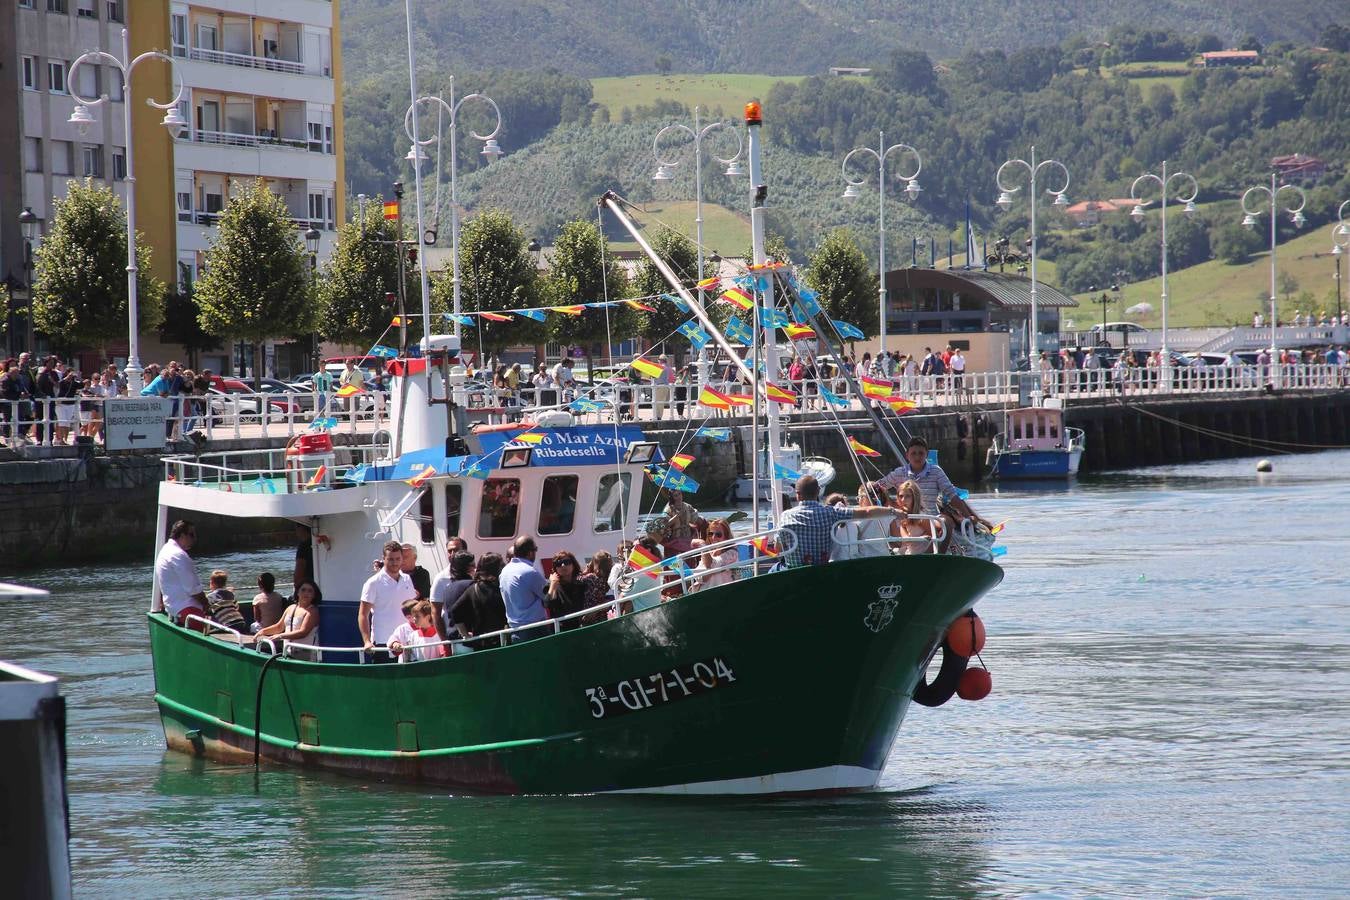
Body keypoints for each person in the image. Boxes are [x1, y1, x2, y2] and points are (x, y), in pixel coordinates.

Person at [875, 436, 991, 548]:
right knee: (891, 522)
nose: (917, 457)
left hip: (931, 518)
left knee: (946, 522)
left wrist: (968, 516)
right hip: (907, 518)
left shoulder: (935, 471)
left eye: (921, 453)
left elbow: (952, 495)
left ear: (926, 454)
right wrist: (888, 502)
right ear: (907, 455)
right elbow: (879, 487)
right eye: (913, 453)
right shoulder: (899, 473)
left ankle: (940, 554)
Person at [777, 474, 893, 567]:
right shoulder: (831, 512)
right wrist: (894, 512)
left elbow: (779, 549)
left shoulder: (785, 516)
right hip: (822, 570)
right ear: (818, 491)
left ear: (798, 495)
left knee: (775, 568)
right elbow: (866, 512)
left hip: (794, 572)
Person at [358, 540, 418, 660]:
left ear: (402, 559)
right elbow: (363, 614)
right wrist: (366, 641)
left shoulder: (407, 579)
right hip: (383, 643)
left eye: (397, 559)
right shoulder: (372, 583)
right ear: (383, 558)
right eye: (391, 559)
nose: (395, 563)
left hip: (408, 640)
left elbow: (412, 609)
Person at [155, 520, 209, 630]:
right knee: (225, 625)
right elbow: (193, 589)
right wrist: (207, 605)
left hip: (175, 608)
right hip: (187, 609)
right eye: (192, 535)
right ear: (182, 535)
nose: (195, 539)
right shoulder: (178, 555)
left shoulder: (165, 550)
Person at [450, 553, 508, 651]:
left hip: (481, 643)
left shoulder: (473, 589)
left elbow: (455, 611)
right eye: (501, 565)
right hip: (501, 641)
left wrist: (465, 635)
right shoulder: (500, 588)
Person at [500, 536, 549, 642]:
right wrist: (553, 582)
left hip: (515, 631)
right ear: (531, 553)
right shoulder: (529, 572)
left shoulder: (504, 571)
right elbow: (548, 597)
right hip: (534, 630)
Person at [257, 581, 321, 659]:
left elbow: (303, 632)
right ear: (297, 592)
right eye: (303, 590)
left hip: (306, 653)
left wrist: (280, 636)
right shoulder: (290, 608)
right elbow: (279, 627)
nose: (306, 593)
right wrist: (262, 631)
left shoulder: (313, 611)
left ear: (314, 595)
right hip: (288, 651)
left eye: (310, 591)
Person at [431, 551, 475, 638]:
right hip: (468, 637)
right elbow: (450, 611)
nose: (475, 568)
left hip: (453, 636)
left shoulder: (449, 587)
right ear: (466, 567)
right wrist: (464, 632)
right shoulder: (470, 584)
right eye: (472, 565)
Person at [889, 480, 932, 555]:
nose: (903, 500)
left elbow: (935, 539)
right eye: (901, 496)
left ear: (915, 497)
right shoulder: (903, 518)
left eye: (908, 496)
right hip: (910, 555)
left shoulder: (921, 517)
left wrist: (926, 555)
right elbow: (906, 540)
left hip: (923, 556)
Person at [545, 551, 587, 630]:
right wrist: (553, 584)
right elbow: (546, 604)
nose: (563, 565)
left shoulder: (581, 585)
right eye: (558, 563)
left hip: (581, 628)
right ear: (555, 568)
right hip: (561, 631)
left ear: (573, 565)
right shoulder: (551, 587)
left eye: (566, 562)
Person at [697, 518, 739, 589]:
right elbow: (699, 578)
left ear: (726, 537)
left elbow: (711, 564)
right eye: (710, 534)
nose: (713, 537)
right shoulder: (708, 552)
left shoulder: (732, 553)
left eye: (718, 534)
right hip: (705, 594)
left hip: (723, 594)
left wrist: (702, 544)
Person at [659, 488, 700, 558]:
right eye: (675, 495)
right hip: (675, 541)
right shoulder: (668, 509)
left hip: (688, 538)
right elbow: (663, 525)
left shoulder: (687, 506)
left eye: (679, 494)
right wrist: (675, 517)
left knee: (690, 559)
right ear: (672, 497)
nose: (679, 497)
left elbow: (695, 519)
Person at [578, 551, 614, 626]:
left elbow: (577, 580)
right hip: (601, 615)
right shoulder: (607, 579)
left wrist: (584, 572)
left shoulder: (591, 577)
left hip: (588, 615)